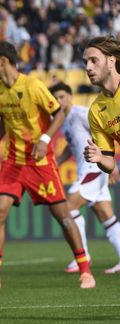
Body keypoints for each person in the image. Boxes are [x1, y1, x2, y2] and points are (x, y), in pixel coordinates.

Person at [0, 41, 95, 290]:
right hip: (13, 161)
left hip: (40, 162)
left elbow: (58, 113)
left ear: (3, 61)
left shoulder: (33, 85)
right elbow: (4, 120)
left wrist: (45, 139)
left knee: (63, 217)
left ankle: (85, 271)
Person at [50, 82, 120, 274]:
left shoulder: (81, 114)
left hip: (94, 168)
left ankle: (82, 256)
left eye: (62, 96)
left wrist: (111, 163)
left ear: (71, 96)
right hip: (88, 169)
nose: (59, 101)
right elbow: (71, 145)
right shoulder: (63, 120)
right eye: (55, 98)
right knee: (107, 216)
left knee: (68, 208)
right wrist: (58, 162)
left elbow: (105, 134)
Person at [83, 36, 120, 273]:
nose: (87, 68)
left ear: (110, 60)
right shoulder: (96, 110)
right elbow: (109, 163)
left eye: (93, 61)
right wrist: (99, 158)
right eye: (85, 62)